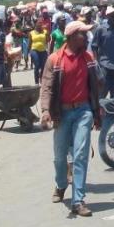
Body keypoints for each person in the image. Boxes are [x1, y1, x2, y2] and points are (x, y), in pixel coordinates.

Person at [39, 21, 100, 217]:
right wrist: (45, 110)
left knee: (80, 155)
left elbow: (96, 85)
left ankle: (78, 200)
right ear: (73, 37)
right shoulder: (55, 60)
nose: (86, 37)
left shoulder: (89, 58)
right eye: (83, 34)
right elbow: (47, 86)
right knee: (59, 157)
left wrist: (97, 111)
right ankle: (61, 184)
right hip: (62, 113)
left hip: (83, 111)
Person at [92, 6, 114, 99]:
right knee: (102, 92)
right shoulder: (100, 29)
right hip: (104, 65)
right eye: (111, 16)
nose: (113, 18)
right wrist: (96, 61)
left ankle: (112, 112)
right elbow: (94, 46)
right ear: (107, 16)